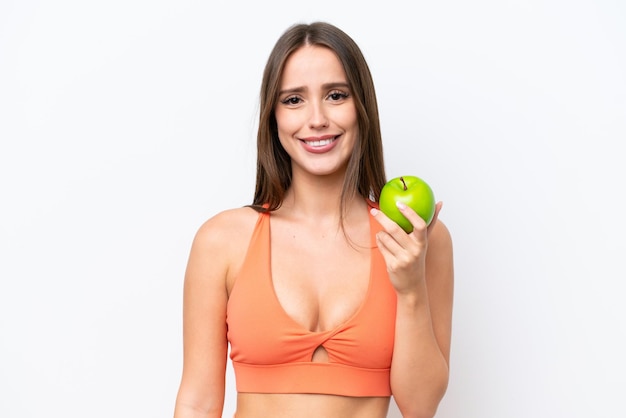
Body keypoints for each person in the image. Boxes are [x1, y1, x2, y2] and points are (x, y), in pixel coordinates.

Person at [173, 21, 454, 418]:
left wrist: (410, 291)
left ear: (362, 106)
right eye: (293, 100)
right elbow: (197, 403)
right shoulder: (222, 241)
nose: (317, 118)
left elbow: (420, 406)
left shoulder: (416, 238)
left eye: (336, 95)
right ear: (273, 117)